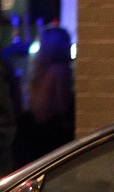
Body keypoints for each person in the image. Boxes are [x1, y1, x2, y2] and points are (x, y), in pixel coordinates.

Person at [15, 26, 74, 166]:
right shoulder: (61, 73)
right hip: (53, 144)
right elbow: (62, 110)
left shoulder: (40, 74)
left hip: (33, 146)